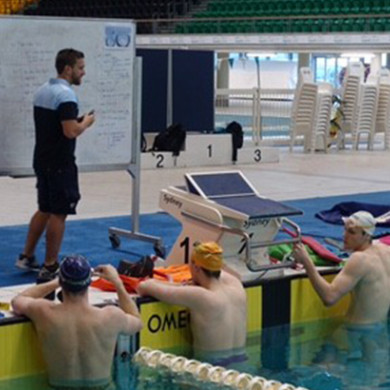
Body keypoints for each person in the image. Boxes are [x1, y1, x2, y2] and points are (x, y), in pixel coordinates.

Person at [16, 48, 95, 280]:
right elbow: (70, 131)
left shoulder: (42, 91)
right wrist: (87, 122)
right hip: (60, 163)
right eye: (80, 68)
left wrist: (76, 122)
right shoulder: (66, 96)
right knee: (58, 213)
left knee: (44, 208)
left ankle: (26, 256)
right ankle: (50, 265)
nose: (84, 72)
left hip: (42, 158)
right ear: (68, 69)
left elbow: (57, 126)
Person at [11, 255, 143, 390]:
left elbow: (18, 300)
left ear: (62, 283)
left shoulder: (44, 312)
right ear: (89, 283)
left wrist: (55, 282)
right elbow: (137, 321)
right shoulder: (111, 316)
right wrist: (117, 282)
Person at [292, 211, 390, 362]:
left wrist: (307, 263)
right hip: (379, 331)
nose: (345, 235)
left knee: (322, 363)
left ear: (366, 235)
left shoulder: (359, 259)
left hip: (355, 331)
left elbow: (329, 298)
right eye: (345, 229)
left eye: (352, 232)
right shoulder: (386, 251)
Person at [137, 241, 247, 367]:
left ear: (196, 268)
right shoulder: (236, 286)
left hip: (209, 371)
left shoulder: (201, 296)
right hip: (241, 365)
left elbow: (144, 287)